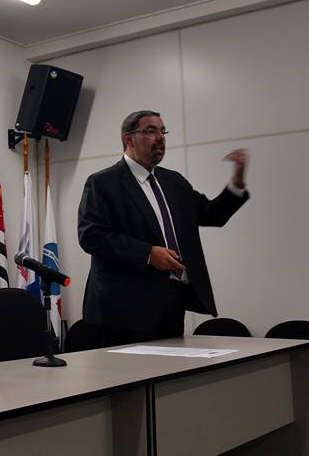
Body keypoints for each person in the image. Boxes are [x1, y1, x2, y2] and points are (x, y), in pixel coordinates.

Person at [77, 110, 249, 346]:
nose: (160, 138)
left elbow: (212, 214)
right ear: (129, 139)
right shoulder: (103, 183)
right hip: (124, 308)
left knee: (171, 369)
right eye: (150, 131)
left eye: (162, 131)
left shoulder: (174, 182)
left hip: (171, 301)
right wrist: (148, 254)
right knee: (132, 370)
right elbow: (91, 236)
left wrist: (236, 184)